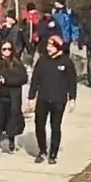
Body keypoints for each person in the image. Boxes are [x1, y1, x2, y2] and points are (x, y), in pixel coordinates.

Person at [28, 35, 78, 165]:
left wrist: (72, 98)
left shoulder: (66, 62)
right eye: (48, 45)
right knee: (39, 125)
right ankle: (42, 150)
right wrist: (31, 97)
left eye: (51, 46)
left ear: (58, 47)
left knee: (55, 126)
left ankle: (53, 153)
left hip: (58, 100)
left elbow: (72, 81)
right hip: (43, 98)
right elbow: (35, 80)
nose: (48, 48)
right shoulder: (43, 60)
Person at [0, 40, 28, 158]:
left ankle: (11, 140)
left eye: (9, 49)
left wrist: (6, 81)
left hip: (13, 97)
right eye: (4, 49)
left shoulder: (17, 63)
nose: (7, 52)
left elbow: (23, 78)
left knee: (12, 120)